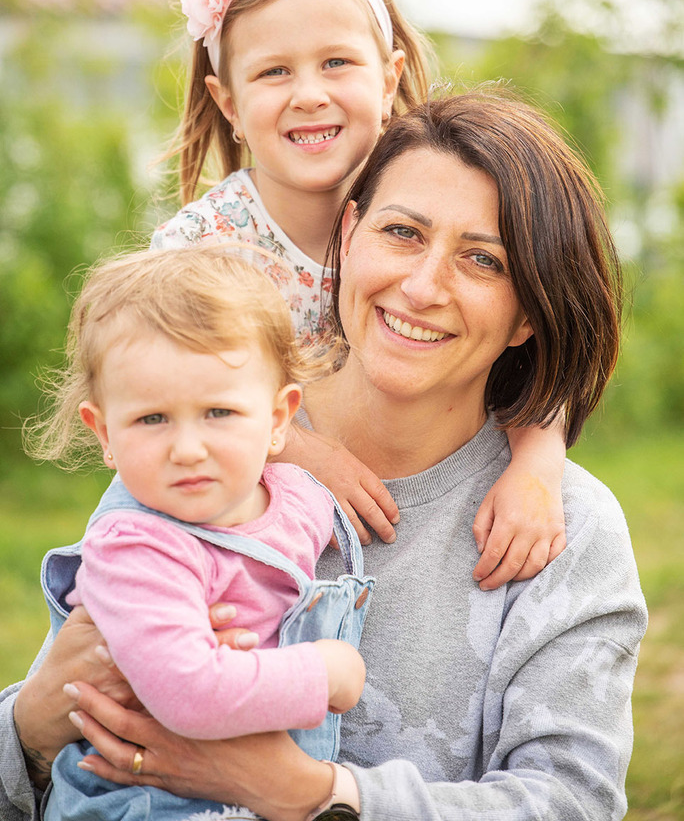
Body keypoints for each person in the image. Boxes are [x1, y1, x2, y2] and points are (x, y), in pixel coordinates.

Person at [4, 91, 647, 821]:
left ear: (529, 312)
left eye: (482, 259)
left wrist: (314, 795)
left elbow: (572, 802)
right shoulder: (208, 441)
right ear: (350, 232)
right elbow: (50, 761)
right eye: (402, 232)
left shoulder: (567, 527)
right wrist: (32, 725)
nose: (423, 285)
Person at [152, 0, 568, 586]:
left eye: (336, 62)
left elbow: (533, 357)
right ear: (227, 103)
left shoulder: (433, 206)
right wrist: (295, 450)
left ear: (388, 75)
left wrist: (538, 468)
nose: (309, 93)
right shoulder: (204, 250)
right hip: (231, 516)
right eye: (273, 71)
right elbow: (163, 391)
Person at [29, 245, 372, 821]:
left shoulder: (301, 498)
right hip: (141, 803)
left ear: (279, 417)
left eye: (219, 413)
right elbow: (189, 693)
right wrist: (325, 672)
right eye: (151, 419)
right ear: (104, 432)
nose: (188, 450)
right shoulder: (135, 547)